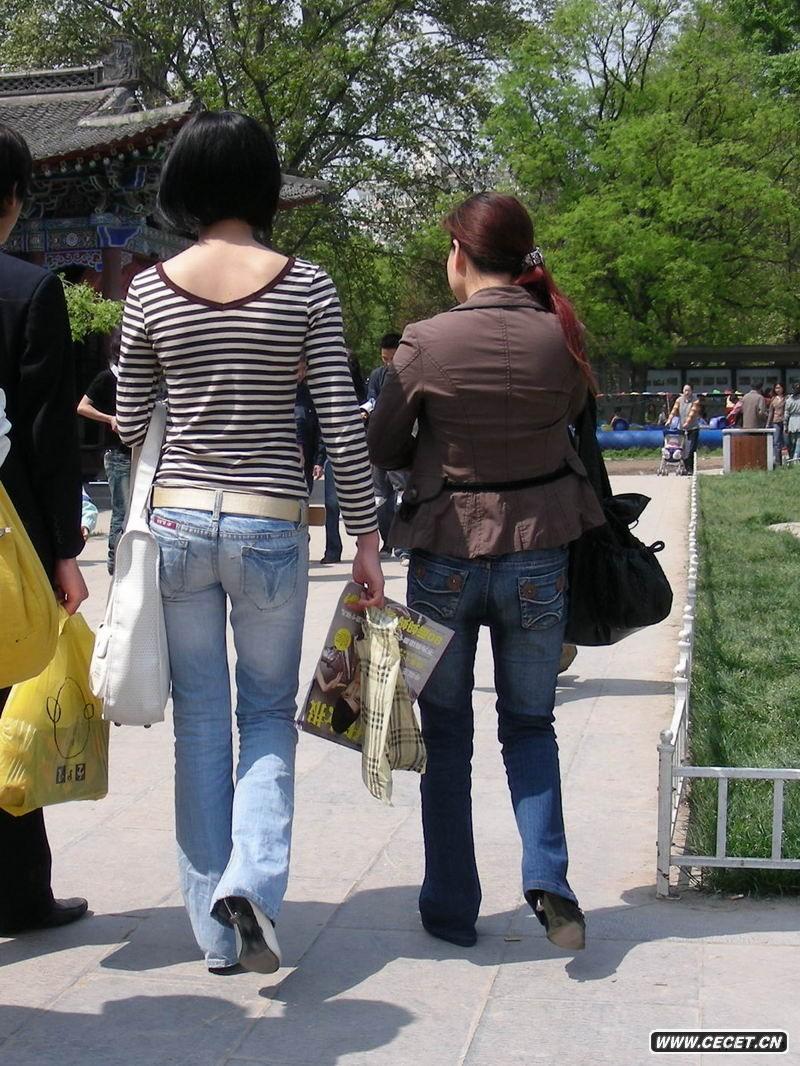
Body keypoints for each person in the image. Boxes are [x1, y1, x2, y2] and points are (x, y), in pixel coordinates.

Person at [115, 110, 383, 976]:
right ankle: (254, 883)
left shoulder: (149, 290)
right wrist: (367, 534)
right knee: (266, 713)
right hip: (272, 521)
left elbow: (128, 419)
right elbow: (339, 417)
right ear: (265, 184)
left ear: (184, 184)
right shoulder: (308, 286)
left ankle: (216, 936)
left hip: (180, 520)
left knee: (201, 721)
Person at [368, 192, 605, 951]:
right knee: (531, 724)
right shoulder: (561, 336)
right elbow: (570, 419)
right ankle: (550, 881)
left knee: (445, 733)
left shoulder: (425, 340)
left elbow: (382, 444)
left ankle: (450, 907)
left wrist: (436, 452)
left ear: (462, 255)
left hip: (445, 551)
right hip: (539, 550)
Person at [0, 123, 89, 937]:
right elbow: (46, 436)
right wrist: (65, 549)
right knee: (7, 711)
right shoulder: (29, 291)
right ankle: (21, 892)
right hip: (10, 543)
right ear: (15, 200)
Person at [77, 330, 131, 573]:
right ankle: (114, 562)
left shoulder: (137, 378)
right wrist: (109, 418)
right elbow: (82, 407)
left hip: (139, 451)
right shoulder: (107, 377)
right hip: (117, 453)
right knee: (121, 509)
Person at [314, 350, 367, 564]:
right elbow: (321, 429)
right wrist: (319, 460)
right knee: (332, 504)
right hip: (333, 454)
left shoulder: (362, 396)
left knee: (362, 504)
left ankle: (364, 546)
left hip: (360, 454)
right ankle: (333, 549)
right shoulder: (328, 395)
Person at [668, 384, 702, 474]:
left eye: (688, 390)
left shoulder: (695, 400)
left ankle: (691, 469)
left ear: (692, 391)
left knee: (690, 450)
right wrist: (669, 419)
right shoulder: (679, 400)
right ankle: (685, 468)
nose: (686, 392)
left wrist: (687, 423)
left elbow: (692, 413)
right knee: (682, 449)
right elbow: (674, 410)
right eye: (685, 390)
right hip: (682, 428)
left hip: (693, 428)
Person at [767, 383, 786, 466]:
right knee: (776, 441)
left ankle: (789, 460)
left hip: (785, 421)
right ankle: (778, 462)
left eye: (779, 388)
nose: (778, 389)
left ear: (783, 388)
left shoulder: (786, 398)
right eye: (776, 388)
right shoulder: (773, 399)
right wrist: (768, 423)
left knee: (786, 441)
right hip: (776, 421)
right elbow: (771, 412)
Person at [784, 381, 800, 461]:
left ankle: (793, 457)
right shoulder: (789, 399)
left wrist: (785, 425)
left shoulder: (789, 399)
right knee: (797, 441)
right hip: (795, 419)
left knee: (793, 441)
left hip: (792, 420)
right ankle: (795, 458)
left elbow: (786, 413)